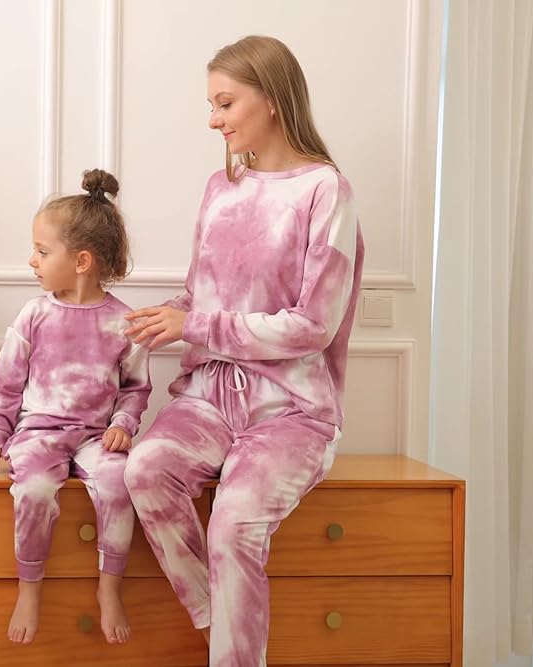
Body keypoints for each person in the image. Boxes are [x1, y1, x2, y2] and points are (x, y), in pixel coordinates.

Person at [122, 35, 365, 666]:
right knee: (145, 471)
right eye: (211, 105)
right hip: (207, 398)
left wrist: (197, 324)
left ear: (273, 99)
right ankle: (222, 623)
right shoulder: (220, 186)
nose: (213, 120)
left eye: (225, 103)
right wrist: (159, 319)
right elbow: (201, 293)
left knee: (233, 526)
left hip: (290, 409)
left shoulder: (325, 191)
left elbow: (313, 325)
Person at [0, 169, 151, 647]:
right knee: (34, 490)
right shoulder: (34, 314)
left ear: (81, 261)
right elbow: (6, 386)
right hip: (38, 435)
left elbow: (135, 388)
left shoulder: (123, 323)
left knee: (118, 483)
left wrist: (125, 423)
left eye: (42, 252)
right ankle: (30, 588)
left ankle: (110, 587)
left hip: (95, 437)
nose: (33, 260)